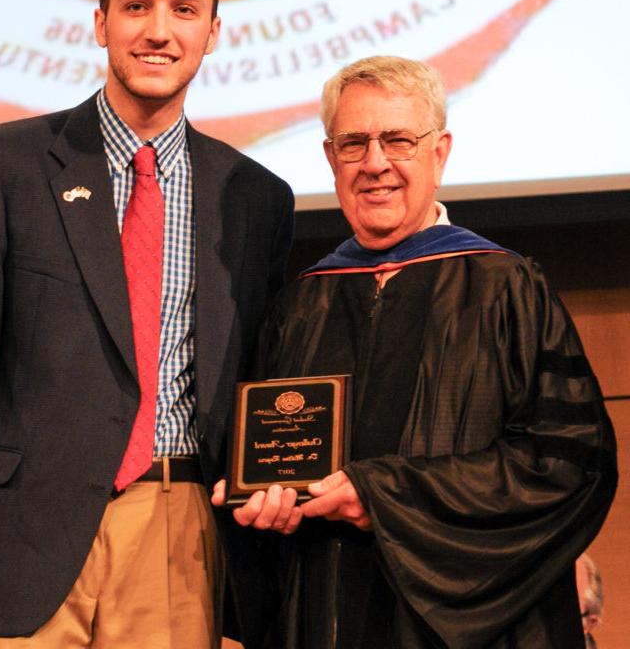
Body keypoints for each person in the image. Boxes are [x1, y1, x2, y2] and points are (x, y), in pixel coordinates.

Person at [0, 0, 294, 649]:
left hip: (176, 537)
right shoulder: (4, 167)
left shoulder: (255, 198)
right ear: (100, 23)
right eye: (136, 6)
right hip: (19, 545)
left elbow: (258, 381)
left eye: (183, 10)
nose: (158, 30)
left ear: (212, 33)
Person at [213, 55, 617, 648]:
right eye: (354, 144)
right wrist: (255, 506)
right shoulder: (298, 306)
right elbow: (267, 472)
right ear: (330, 159)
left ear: (440, 151)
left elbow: (566, 464)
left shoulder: (506, 286)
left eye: (398, 140)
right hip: (328, 613)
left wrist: (383, 495)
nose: (376, 164)